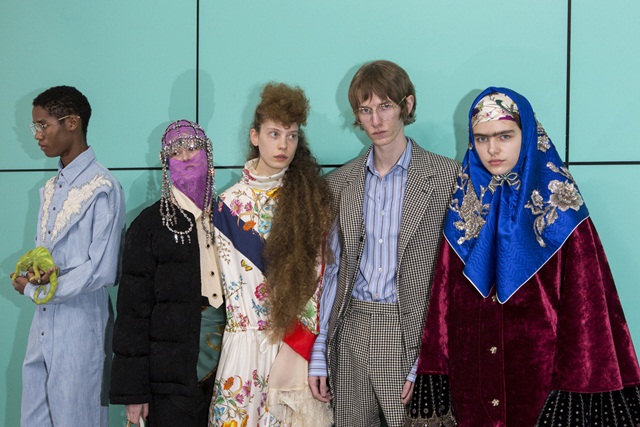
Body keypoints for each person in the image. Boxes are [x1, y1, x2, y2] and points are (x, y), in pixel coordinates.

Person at [405, 88, 640, 426]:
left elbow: (588, 313)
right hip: (472, 383)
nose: (493, 149)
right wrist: (436, 369)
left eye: (505, 136)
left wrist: (573, 391)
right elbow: (442, 302)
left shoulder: (562, 211)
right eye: (482, 138)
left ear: (527, 133)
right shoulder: (464, 207)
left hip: (542, 388)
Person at [307, 60, 460, 427]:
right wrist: (320, 347)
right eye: (365, 110)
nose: (376, 120)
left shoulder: (447, 178)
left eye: (385, 106)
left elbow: (454, 278)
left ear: (407, 105)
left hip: (410, 332)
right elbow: (331, 272)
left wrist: (431, 354)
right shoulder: (338, 184)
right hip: (350, 330)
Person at [209, 82, 334, 427]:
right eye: (274, 134)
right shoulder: (226, 206)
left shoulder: (310, 201)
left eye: (291, 136)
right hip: (242, 351)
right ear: (255, 136)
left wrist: (305, 345)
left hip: (293, 348)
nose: (283, 145)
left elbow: (320, 281)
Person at [10, 85, 126, 426]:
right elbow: (47, 255)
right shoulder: (50, 188)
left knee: (78, 418)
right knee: (33, 418)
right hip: (43, 324)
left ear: (72, 123)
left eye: (43, 125)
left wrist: (38, 290)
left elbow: (102, 270)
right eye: (36, 126)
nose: (37, 135)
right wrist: (35, 274)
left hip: (81, 325)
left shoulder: (103, 187)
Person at [110, 120, 226, 426]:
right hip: (170, 380)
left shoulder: (230, 218)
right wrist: (133, 391)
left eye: (193, 147)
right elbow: (132, 314)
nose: (185, 157)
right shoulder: (148, 226)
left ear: (208, 154)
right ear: (166, 164)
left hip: (232, 370)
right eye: (175, 151)